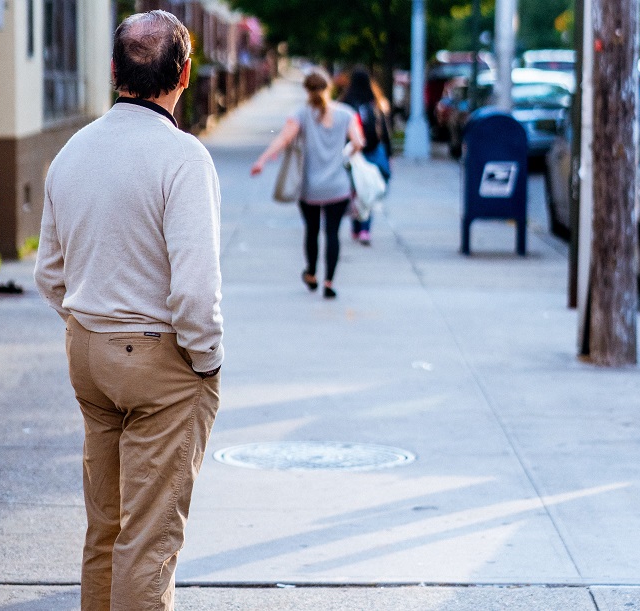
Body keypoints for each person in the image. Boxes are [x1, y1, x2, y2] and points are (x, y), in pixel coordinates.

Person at [33, 11, 223, 611]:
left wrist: (90, 324)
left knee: (106, 529)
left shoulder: (72, 152)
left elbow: (48, 273)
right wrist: (207, 361)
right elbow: (195, 294)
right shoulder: (182, 158)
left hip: (88, 352)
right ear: (185, 74)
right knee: (149, 540)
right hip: (158, 364)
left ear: (115, 71)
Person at [251, 68, 364, 298]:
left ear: (307, 90)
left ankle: (311, 274)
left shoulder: (300, 114)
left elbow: (283, 139)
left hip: (310, 188)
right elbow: (359, 142)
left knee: (312, 232)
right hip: (338, 187)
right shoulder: (346, 114)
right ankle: (330, 282)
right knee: (332, 234)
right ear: (329, 88)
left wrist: (262, 161)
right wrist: (345, 155)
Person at [340, 69, 394, 246]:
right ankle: (365, 229)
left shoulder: (345, 102)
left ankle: (356, 227)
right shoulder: (376, 102)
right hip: (372, 150)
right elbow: (385, 132)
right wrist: (389, 155)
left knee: (355, 189)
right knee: (368, 188)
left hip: (353, 151)